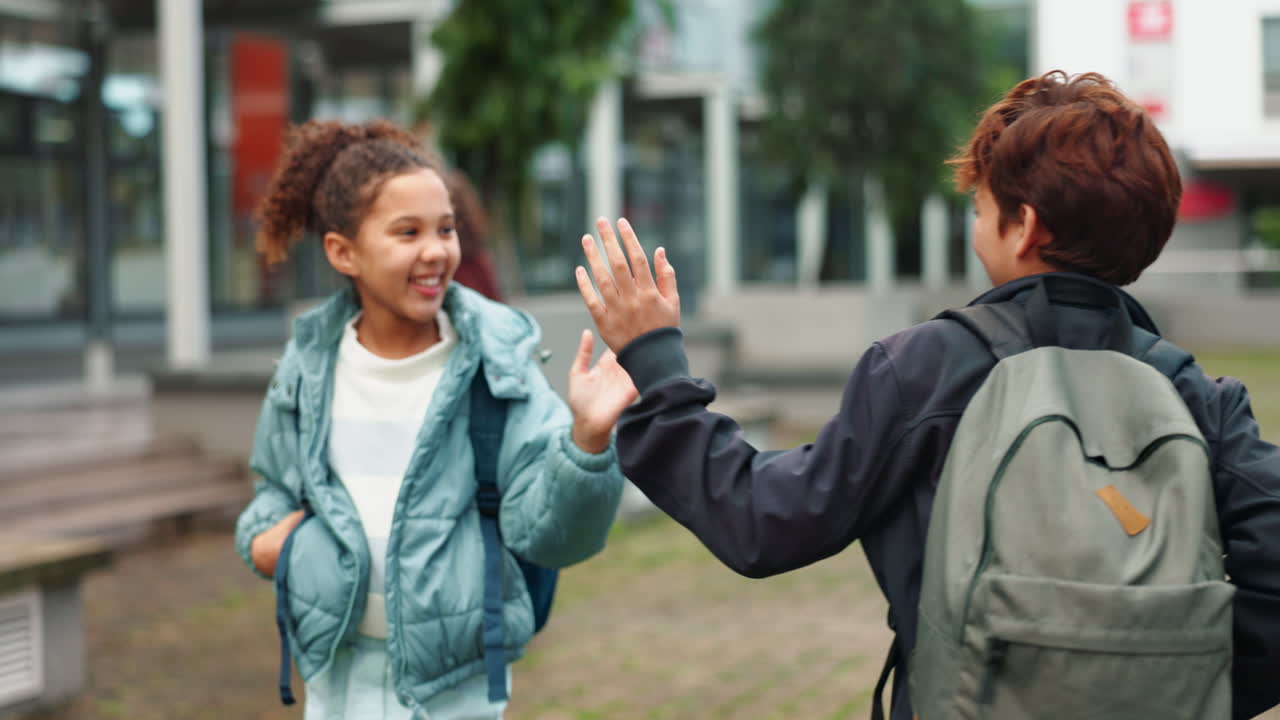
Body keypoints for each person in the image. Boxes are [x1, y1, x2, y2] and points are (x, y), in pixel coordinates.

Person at [573, 71, 1280, 719]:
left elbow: (766, 521)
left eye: (980, 206)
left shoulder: (924, 369)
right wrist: (1179, 688)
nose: (974, 223)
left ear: (1024, 225)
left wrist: (656, 365)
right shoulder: (1195, 395)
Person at [234, 119, 634, 719]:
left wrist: (587, 442)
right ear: (344, 253)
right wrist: (267, 544)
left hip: (458, 697)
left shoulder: (499, 369)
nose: (436, 250)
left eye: (445, 229)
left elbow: (551, 536)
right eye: (407, 232)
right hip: (334, 688)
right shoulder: (307, 366)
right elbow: (274, 493)